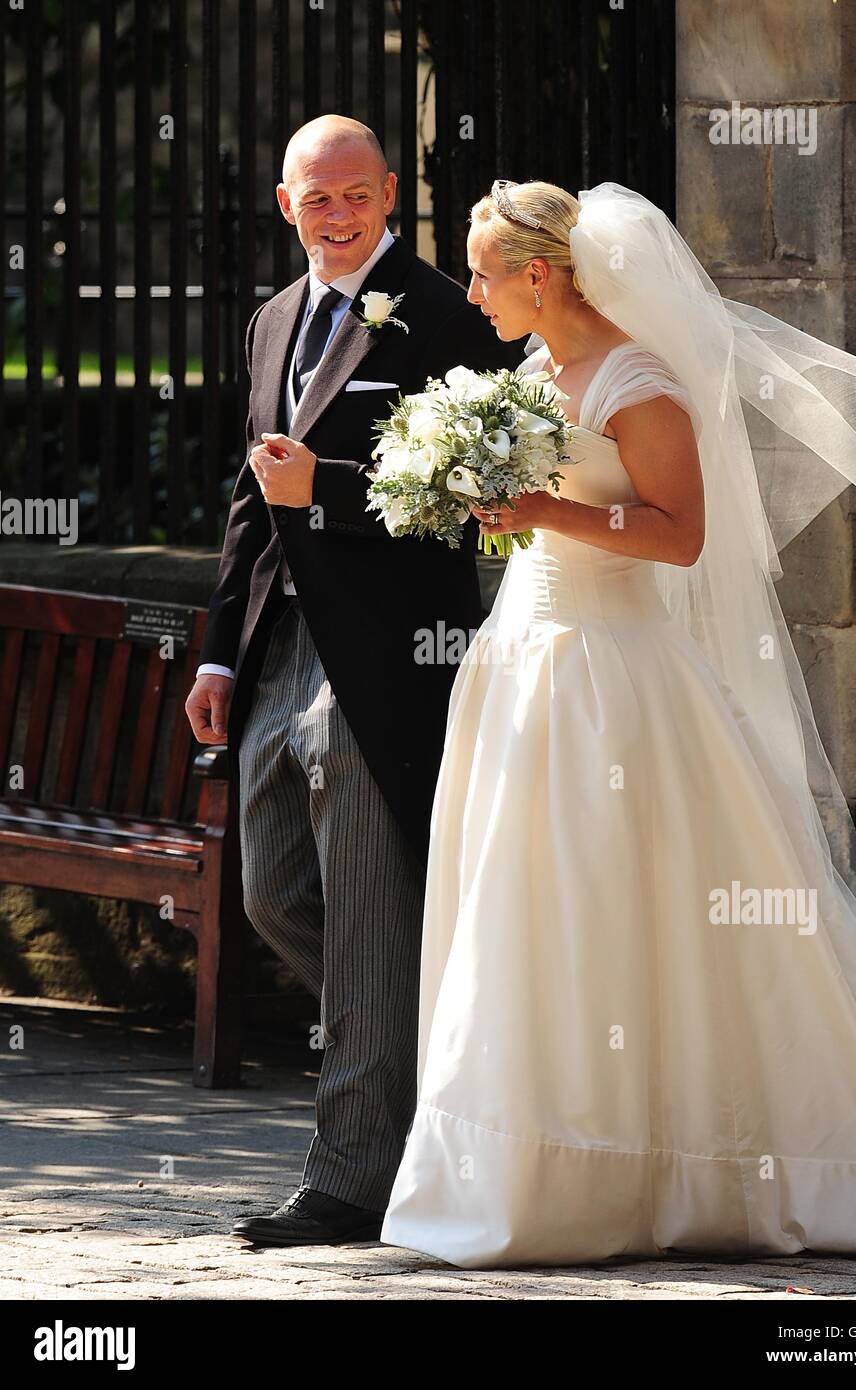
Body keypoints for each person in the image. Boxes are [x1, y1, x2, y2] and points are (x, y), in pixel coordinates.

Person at [379, 179, 856, 1268]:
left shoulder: (637, 382)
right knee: (523, 905)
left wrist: (542, 509)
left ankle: (659, 1168)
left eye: (483, 269)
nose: (471, 289)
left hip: (614, 679)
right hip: (523, 661)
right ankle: (523, 1171)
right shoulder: (528, 375)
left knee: (616, 903)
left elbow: (679, 536)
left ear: (538, 275)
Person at [184, 119, 522, 1247]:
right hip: (281, 648)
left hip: (389, 651)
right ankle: (443, 1042)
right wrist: (222, 652)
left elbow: (470, 492)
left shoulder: (442, 313)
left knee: (372, 905)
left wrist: (320, 489)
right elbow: (248, 501)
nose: (336, 216)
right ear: (286, 204)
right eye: (314, 199)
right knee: (272, 891)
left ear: (388, 195)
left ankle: (353, 1175)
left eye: (355, 196)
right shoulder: (273, 319)